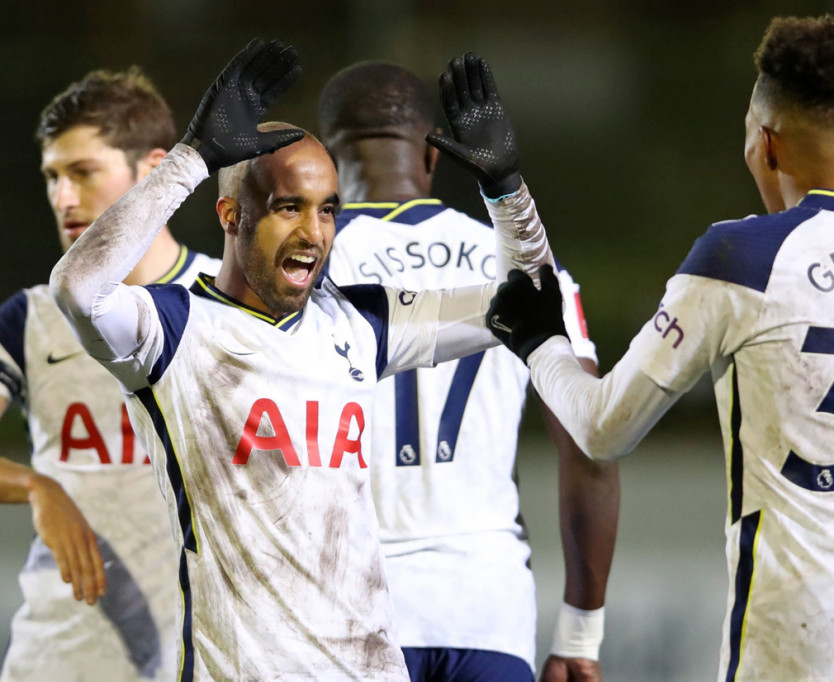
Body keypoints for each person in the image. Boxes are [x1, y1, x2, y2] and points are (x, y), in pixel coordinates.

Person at [483, 16, 834, 681]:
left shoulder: (744, 255)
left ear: (764, 143)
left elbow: (603, 430)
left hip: (801, 636)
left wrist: (538, 341)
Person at [48, 40, 560, 680]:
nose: (314, 232)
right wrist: (193, 159)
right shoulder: (174, 329)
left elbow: (533, 303)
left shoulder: (357, 323)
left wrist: (507, 193)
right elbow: (77, 289)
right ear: (231, 215)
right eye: (288, 207)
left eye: (328, 210)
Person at [318, 61, 619, 681]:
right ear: (430, 158)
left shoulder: (298, 270)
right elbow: (591, 442)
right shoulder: (524, 265)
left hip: (345, 607)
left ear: (327, 161)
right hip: (486, 607)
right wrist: (580, 633)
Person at [0, 68, 220, 681]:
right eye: (52, 176)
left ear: (152, 172)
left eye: (83, 172)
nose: (63, 198)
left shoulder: (229, 307)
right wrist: (40, 489)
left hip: (208, 657)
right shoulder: (32, 317)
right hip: (63, 660)